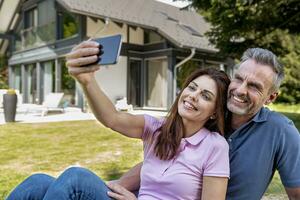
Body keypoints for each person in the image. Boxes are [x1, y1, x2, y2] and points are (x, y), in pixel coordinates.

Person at [6, 40, 231, 200]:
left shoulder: (214, 146)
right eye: (192, 87)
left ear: (214, 112)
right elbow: (112, 118)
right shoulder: (157, 128)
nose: (193, 95)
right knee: (38, 182)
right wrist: (87, 81)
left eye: (205, 96)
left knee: (76, 178)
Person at [109, 47, 300, 200]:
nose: (240, 90)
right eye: (239, 79)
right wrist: (116, 185)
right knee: (81, 182)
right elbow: (164, 161)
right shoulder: (207, 111)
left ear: (271, 97)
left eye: (254, 86)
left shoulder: (281, 132)